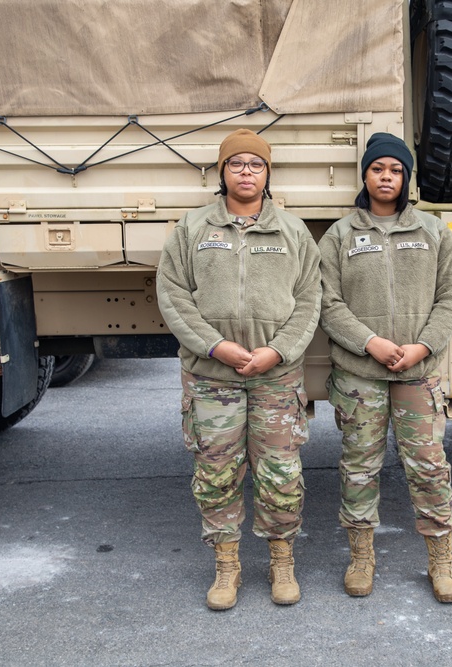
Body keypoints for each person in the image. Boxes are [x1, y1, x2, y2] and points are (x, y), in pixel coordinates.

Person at [156, 128, 321, 610]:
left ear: (268, 174)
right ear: (221, 172)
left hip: (275, 376)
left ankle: (282, 563)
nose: (246, 172)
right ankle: (227, 567)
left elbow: (310, 300)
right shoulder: (191, 230)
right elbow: (173, 296)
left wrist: (279, 351)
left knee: (280, 473)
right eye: (236, 164)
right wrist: (216, 346)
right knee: (216, 473)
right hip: (212, 378)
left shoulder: (292, 232)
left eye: (256, 164)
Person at [318, 132, 452, 603]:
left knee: (428, 467)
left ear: (406, 179)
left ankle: (441, 559)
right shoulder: (340, 236)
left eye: (396, 170)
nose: (387, 177)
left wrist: (422, 347)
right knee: (360, 467)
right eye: (379, 168)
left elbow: (451, 298)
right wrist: (371, 343)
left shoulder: (434, 232)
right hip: (360, 375)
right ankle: (362, 557)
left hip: (418, 375)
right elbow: (328, 302)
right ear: (365, 175)